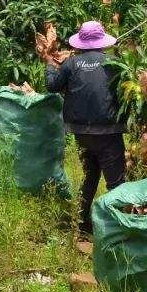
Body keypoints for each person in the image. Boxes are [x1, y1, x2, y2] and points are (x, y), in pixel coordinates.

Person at [45, 20, 125, 237]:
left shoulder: (71, 64)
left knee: (91, 174)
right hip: (108, 131)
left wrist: (51, 64)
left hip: (81, 131)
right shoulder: (114, 63)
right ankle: (116, 229)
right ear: (102, 42)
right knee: (116, 183)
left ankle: (81, 222)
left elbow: (52, 86)